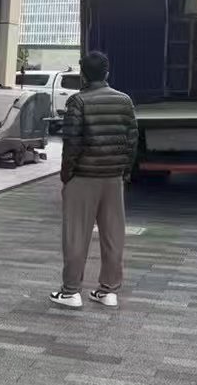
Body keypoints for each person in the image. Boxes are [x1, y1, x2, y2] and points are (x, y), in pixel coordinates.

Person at [52, 51, 138, 310]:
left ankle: (71, 292)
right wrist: (124, 172)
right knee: (113, 235)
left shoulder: (78, 102)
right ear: (107, 73)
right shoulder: (124, 101)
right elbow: (132, 141)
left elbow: (71, 144)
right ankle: (108, 291)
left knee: (76, 236)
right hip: (113, 177)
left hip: (83, 177)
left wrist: (67, 175)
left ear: (82, 75)